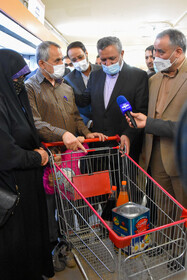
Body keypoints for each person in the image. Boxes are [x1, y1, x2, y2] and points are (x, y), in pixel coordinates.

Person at [25, 41, 106, 256]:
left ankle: (69, 239)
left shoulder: (65, 86)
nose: (64, 63)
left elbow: (75, 117)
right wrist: (63, 134)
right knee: (50, 204)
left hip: (71, 157)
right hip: (50, 157)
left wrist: (87, 133)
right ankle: (53, 246)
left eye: (63, 59)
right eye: (58, 60)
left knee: (70, 200)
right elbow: (35, 122)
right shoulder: (30, 87)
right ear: (42, 63)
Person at [0, 49, 54, 280]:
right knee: (17, 242)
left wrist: (44, 150)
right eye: (16, 78)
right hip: (12, 187)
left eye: (23, 77)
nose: (20, 82)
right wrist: (38, 157)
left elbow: (26, 134)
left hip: (27, 183)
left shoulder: (13, 99)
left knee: (31, 235)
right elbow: (6, 153)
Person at [125, 29, 187, 209]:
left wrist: (149, 123)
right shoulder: (153, 80)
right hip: (156, 157)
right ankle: (164, 239)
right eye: (154, 52)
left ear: (178, 52)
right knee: (163, 211)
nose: (155, 57)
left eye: (161, 52)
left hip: (181, 157)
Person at [82, 36, 149, 162]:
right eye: (103, 60)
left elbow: (142, 111)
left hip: (124, 147)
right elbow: (84, 101)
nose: (108, 64)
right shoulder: (95, 76)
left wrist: (128, 135)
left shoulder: (138, 76)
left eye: (112, 59)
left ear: (122, 53)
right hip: (98, 147)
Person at [64, 41, 101, 126]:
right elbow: (71, 108)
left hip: (106, 123)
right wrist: (87, 122)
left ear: (86, 53)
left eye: (80, 57)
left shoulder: (102, 71)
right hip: (84, 126)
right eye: (74, 60)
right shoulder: (68, 80)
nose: (78, 61)